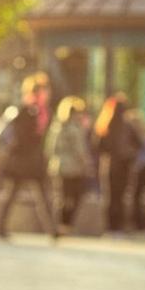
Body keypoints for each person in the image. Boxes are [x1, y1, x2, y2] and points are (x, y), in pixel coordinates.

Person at [0, 73, 57, 240]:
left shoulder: (44, 112)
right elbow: (21, 137)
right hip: (20, 161)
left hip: (34, 161)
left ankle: (53, 230)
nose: (47, 94)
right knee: (12, 194)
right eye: (44, 91)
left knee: (43, 195)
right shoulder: (23, 111)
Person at [95, 93, 141, 235]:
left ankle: (110, 226)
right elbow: (139, 143)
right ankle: (118, 226)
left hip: (110, 165)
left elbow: (98, 146)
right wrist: (130, 155)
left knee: (111, 196)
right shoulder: (127, 125)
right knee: (120, 196)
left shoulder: (105, 124)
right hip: (124, 165)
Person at [47, 96, 93, 234]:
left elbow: (49, 149)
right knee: (74, 196)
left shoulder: (56, 127)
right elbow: (80, 150)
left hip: (57, 167)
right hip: (74, 168)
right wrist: (88, 164)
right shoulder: (74, 128)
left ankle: (60, 225)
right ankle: (66, 225)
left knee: (62, 196)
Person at [127, 109, 145, 231]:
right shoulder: (140, 138)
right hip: (141, 170)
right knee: (135, 197)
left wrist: (135, 167)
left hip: (142, 171)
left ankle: (140, 224)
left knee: (138, 197)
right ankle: (137, 223)